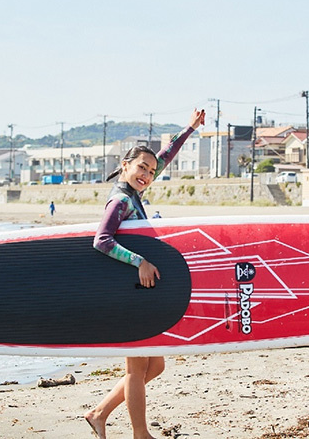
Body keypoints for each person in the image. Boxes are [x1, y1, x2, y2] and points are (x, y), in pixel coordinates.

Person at [84, 108, 205, 439]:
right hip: (128, 295)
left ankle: (99, 413)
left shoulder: (135, 193)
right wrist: (140, 261)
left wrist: (190, 128)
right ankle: (141, 434)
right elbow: (102, 240)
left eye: (151, 171)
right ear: (125, 165)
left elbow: (165, 156)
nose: (148, 173)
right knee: (137, 369)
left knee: (156, 365)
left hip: (139, 293)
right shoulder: (120, 200)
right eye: (141, 167)